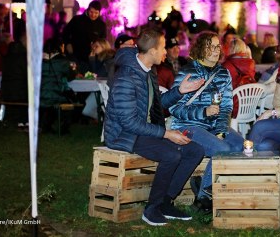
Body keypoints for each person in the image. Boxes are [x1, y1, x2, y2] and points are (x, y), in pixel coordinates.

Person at [104, 29, 205, 226]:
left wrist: (179, 91)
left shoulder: (148, 71)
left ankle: (166, 202)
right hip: (125, 134)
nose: (165, 51)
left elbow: (156, 104)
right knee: (172, 154)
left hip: (145, 130)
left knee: (195, 150)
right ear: (151, 51)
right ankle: (152, 209)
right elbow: (128, 122)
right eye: (163, 47)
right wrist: (166, 134)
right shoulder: (126, 76)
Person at [169, 31, 244, 213]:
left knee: (241, 145)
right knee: (222, 149)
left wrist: (220, 131)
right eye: (211, 46)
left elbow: (226, 107)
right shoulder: (188, 72)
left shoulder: (223, 73)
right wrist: (203, 112)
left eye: (218, 46)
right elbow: (174, 108)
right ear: (201, 48)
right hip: (187, 126)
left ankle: (206, 188)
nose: (216, 50)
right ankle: (204, 197)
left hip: (212, 126)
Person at [40, 38, 77, 134]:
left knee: (48, 103)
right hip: (57, 95)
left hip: (39, 95)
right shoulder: (63, 62)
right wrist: (73, 69)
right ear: (59, 47)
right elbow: (70, 77)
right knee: (71, 101)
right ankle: (64, 128)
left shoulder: (38, 61)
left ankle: (47, 125)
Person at [62, 0, 107, 71]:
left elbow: (103, 42)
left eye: (96, 13)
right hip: (75, 55)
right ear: (88, 10)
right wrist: (68, 44)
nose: (93, 15)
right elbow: (65, 34)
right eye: (91, 12)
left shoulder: (101, 25)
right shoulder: (77, 20)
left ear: (99, 13)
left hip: (92, 58)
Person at [222, 37, 256, 115]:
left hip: (232, 106)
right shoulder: (251, 63)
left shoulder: (226, 65)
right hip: (249, 104)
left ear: (231, 49)